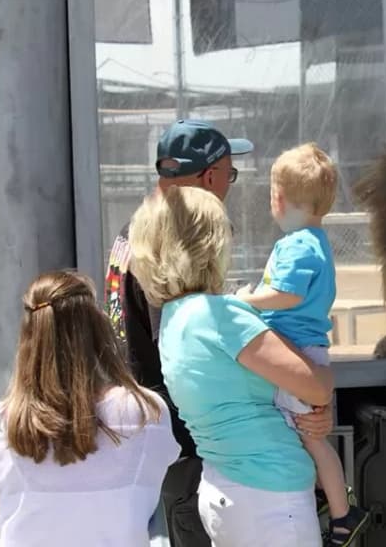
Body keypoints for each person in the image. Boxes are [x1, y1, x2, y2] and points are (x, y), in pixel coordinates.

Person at [104, 119, 335, 546]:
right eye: (229, 174)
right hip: (202, 455)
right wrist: (298, 388)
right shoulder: (197, 301)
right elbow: (210, 353)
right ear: (210, 176)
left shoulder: (133, 235)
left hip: (173, 444)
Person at [0, 270, 180, 546]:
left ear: (28, 338)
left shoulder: (1, 422)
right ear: (97, 329)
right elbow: (157, 480)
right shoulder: (147, 413)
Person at [236, 143, 368, 546]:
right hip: (305, 349)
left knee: (308, 436)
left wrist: (245, 300)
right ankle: (337, 507)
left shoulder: (296, 245)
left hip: (293, 352)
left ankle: (342, 514)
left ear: (278, 199)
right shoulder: (317, 241)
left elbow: (287, 295)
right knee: (308, 434)